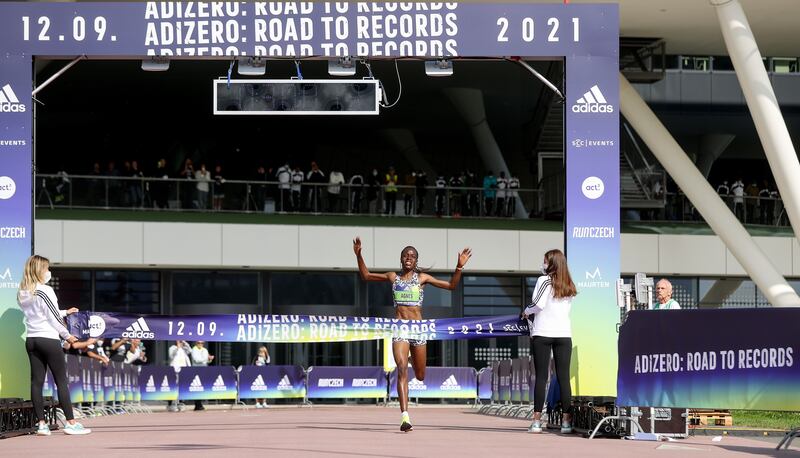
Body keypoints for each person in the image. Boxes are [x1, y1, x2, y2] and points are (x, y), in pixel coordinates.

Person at [353, 237, 472, 432]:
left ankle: (410, 357)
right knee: (401, 370)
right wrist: (359, 255)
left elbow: (451, 286)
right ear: (401, 259)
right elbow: (366, 276)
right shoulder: (393, 277)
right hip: (400, 328)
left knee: (421, 375)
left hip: (418, 330)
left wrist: (459, 267)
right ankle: (405, 417)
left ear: (416, 261)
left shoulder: (423, 278)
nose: (409, 257)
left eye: (412, 256)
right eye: (406, 255)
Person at [17, 254, 91, 435]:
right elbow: (52, 317)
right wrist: (68, 336)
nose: (49, 272)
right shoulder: (45, 290)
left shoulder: (23, 291)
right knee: (61, 381)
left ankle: (41, 424)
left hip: (32, 339)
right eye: (47, 268)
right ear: (40, 270)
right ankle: (71, 423)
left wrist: (66, 311)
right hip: (48, 339)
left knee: (36, 382)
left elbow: (42, 312)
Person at [521, 249, 577, 434]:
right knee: (563, 378)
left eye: (544, 261)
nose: (542, 264)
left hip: (543, 332)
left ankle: (536, 421)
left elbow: (537, 304)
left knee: (541, 377)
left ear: (551, 263)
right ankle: (566, 422)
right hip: (563, 334)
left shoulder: (544, 280)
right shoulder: (568, 283)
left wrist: (526, 311)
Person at [168, 340, 192, 412]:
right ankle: (173, 404)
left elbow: (190, 351)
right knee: (175, 387)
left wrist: (185, 343)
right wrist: (177, 348)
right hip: (175, 370)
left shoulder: (184, 349)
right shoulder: (172, 348)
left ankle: (180, 404)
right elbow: (171, 356)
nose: (180, 342)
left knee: (181, 388)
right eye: (179, 340)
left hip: (183, 370)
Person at [191, 341, 214, 411]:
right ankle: (197, 404)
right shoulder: (194, 350)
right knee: (197, 387)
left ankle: (199, 404)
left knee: (202, 387)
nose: (200, 344)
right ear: (196, 343)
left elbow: (207, 362)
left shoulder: (205, 350)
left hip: (204, 370)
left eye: (202, 343)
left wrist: (209, 359)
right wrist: (207, 358)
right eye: (199, 343)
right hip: (196, 370)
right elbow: (197, 360)